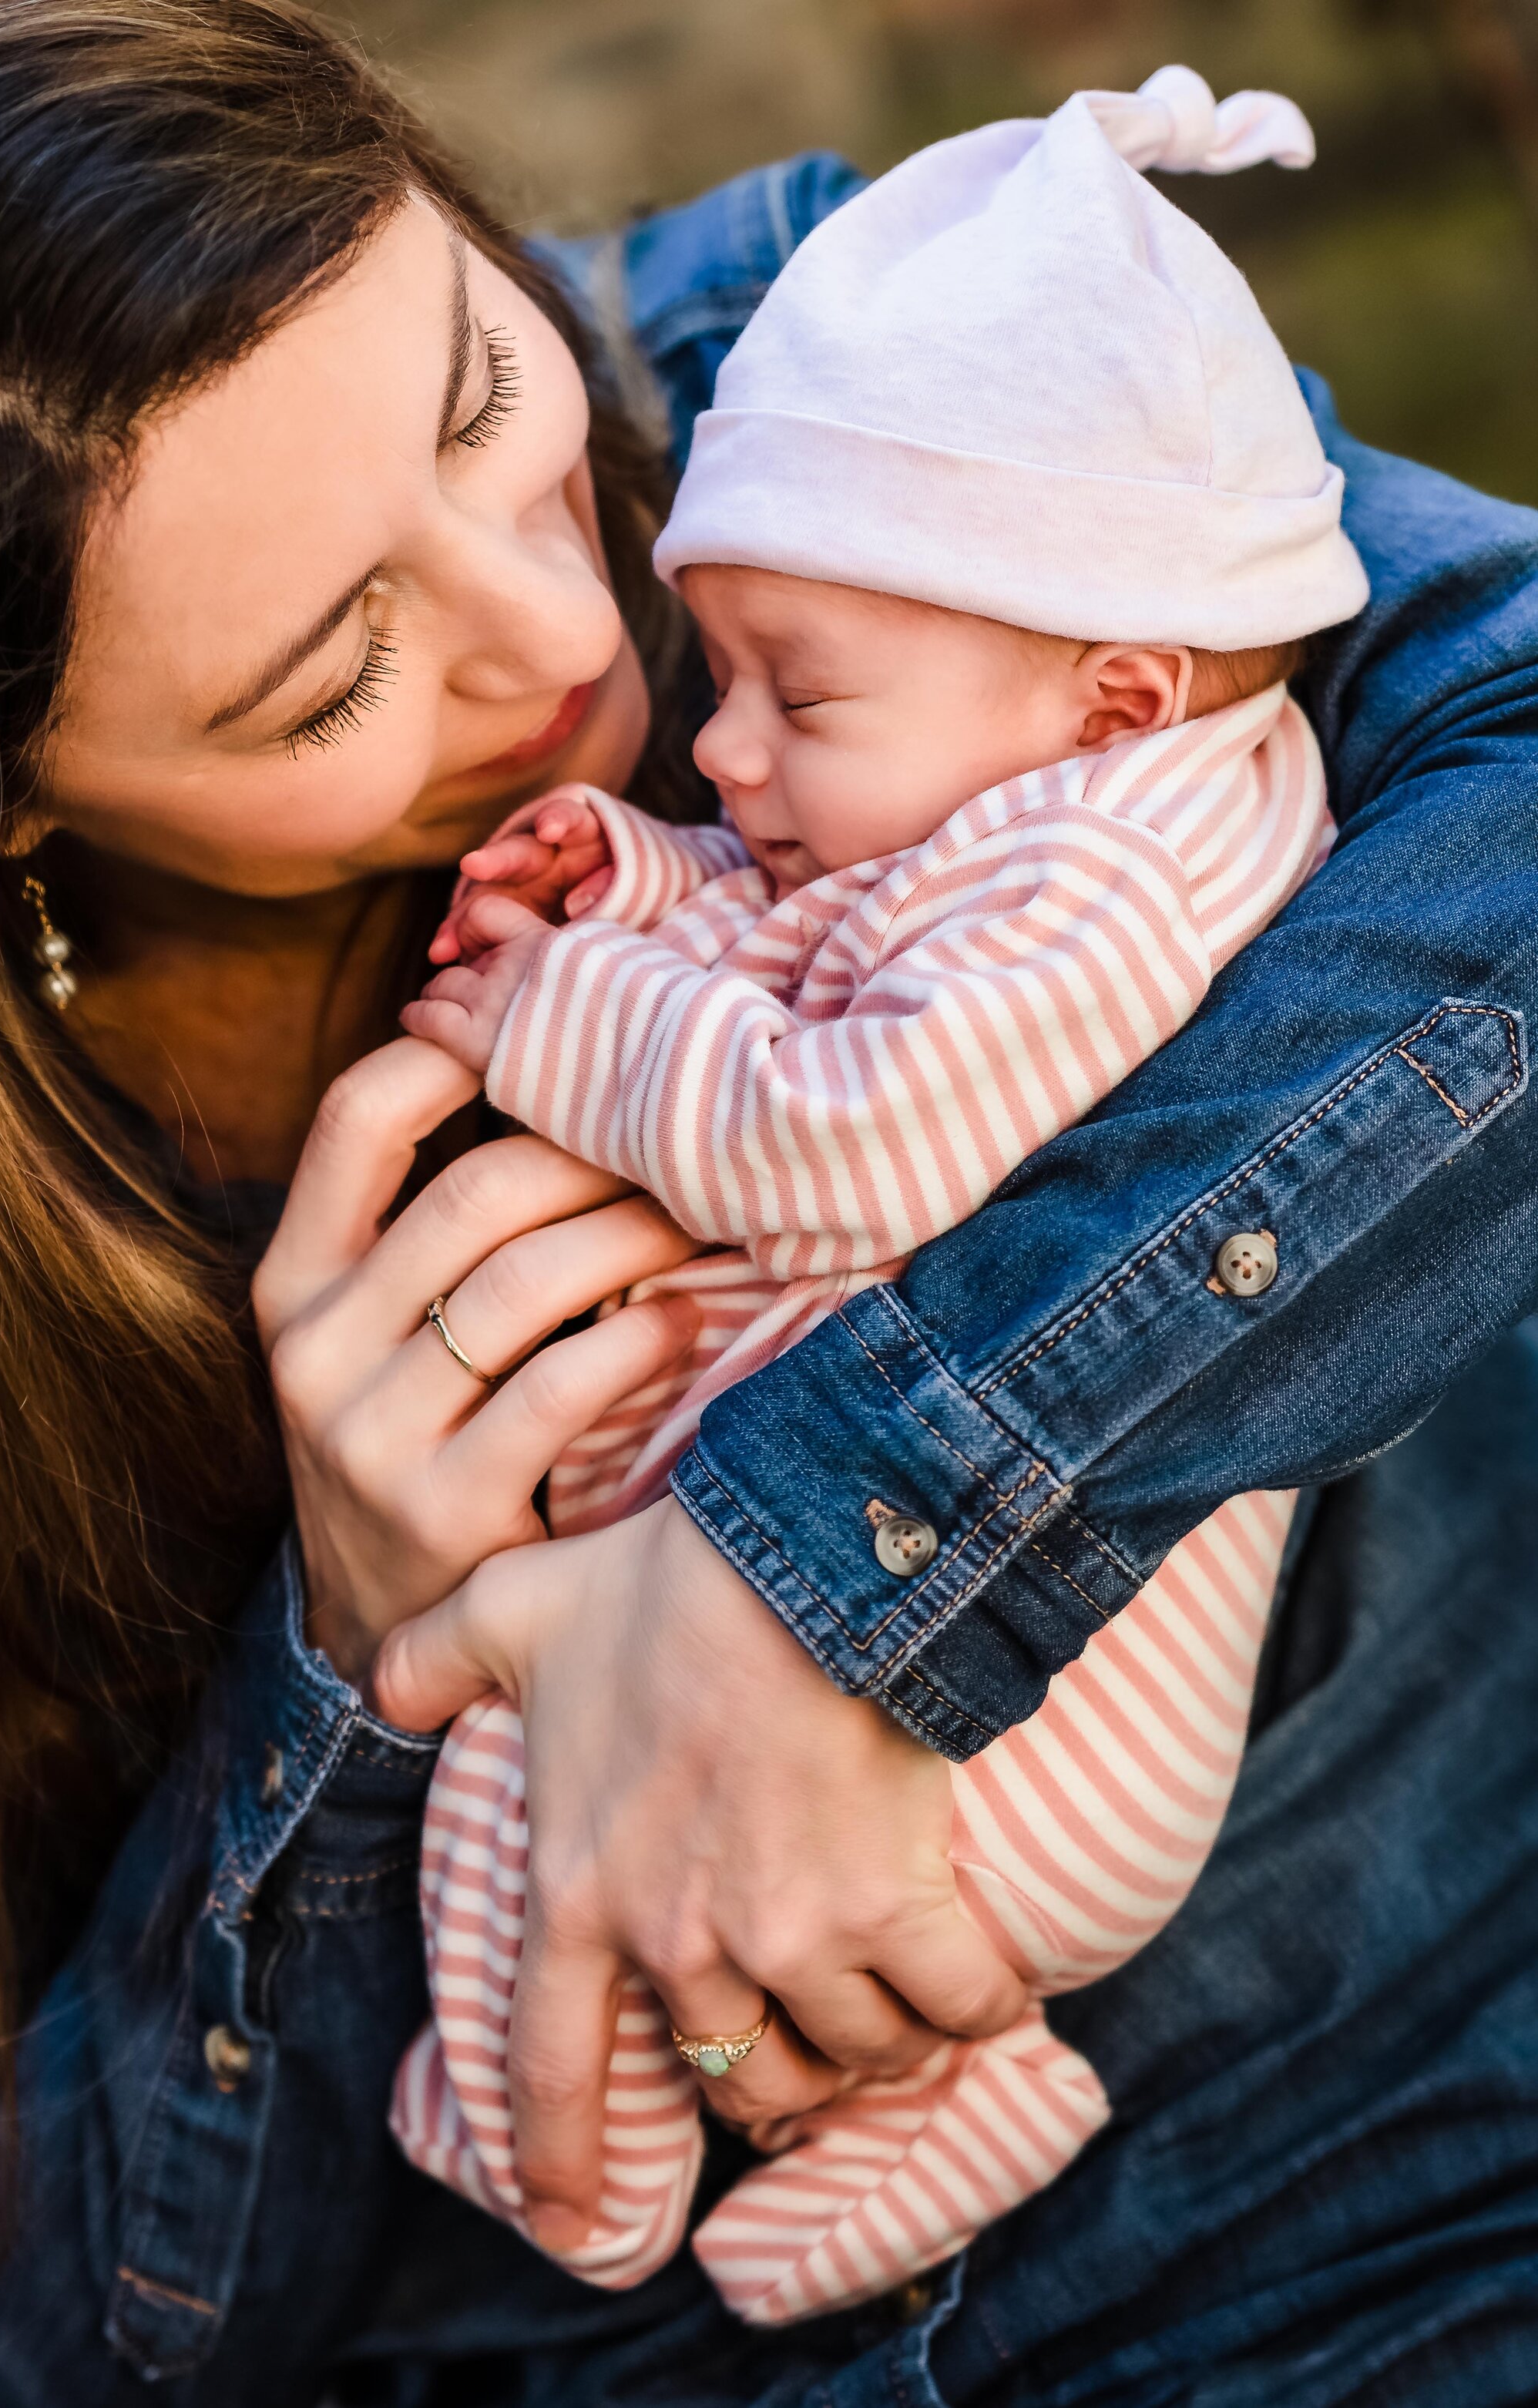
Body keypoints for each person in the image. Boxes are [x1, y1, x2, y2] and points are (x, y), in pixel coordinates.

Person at [0, 5, 1533, 2404]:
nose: (559, 633)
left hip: (1397, 2208)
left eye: (469, 397)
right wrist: (340, 1676)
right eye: (328, 684)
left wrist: (806, 1569)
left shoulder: (871, 374)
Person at [391, 69, 1366, 2323]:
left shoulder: (1122, 875)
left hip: (996, 1745)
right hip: (928, 1687)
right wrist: (629, 880)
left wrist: (552, 1020)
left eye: (788, 691)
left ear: (1112, 680)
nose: (716, 749)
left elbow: (847, 1134)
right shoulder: (1027, 796)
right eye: (713, 672)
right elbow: (787, 931)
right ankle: (941, 2092)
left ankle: (571, 2161)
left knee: (508, 1771)